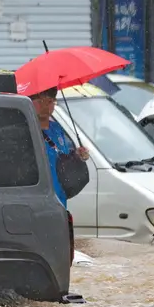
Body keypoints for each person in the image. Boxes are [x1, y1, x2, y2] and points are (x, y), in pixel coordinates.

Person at [31, 86, 90, 247]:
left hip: (59, 201)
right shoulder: (26, 130)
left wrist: (79, 155)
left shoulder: (58, 130)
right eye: (40, 101)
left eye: (50, 101)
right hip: (37, 202)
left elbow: (66, 157)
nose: (45, 106)